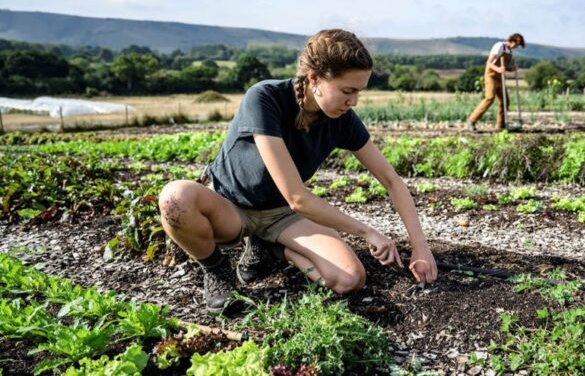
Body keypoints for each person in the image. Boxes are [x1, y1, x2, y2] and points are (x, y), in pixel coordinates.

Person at [158, 29, 438, 312]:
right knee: (175, 198)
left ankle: (269, 247)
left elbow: (391, 180)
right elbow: (297, 197)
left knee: (349, 279)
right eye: (347, 91)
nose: (353, 101)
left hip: (282, 215)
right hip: (231, 209)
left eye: (359, 92)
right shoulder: (265, 98)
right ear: (314, 78)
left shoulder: (343, 120)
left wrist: (420, 247)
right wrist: (367, 232)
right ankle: (217, 271)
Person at [466, 33, 525, 131]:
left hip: (500, 77)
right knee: (489, 98)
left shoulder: (509, 52)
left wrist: (511, 69)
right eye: (517, 44)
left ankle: (500, 125)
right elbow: (489, 62)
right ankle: (471, 120)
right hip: (491, 75)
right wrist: (498, 69)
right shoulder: (499, 46)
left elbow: (503, 67)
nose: (516, 47)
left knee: (505, 101)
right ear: (512, 41)